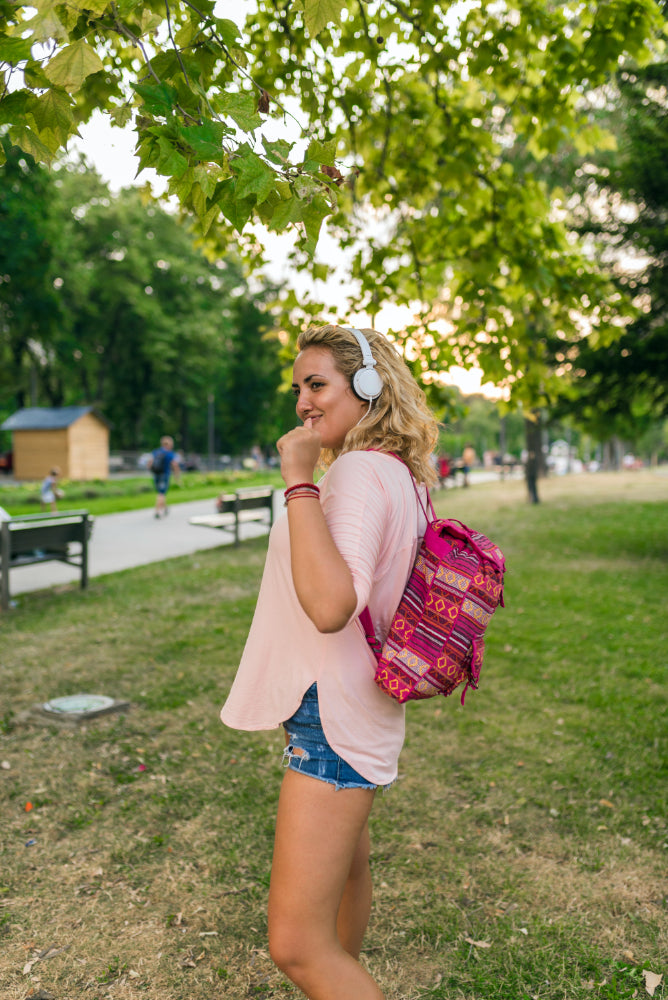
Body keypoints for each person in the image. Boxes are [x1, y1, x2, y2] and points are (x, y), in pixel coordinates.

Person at [221, 324, 439, 999]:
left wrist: (297, 478)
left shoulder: (355, 472)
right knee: (347, 871)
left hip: (332, 715)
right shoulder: (396, 473)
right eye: (298, 389)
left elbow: (330, 605)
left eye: (317, 384)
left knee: (297, 945)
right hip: (355, 702)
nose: (302, 403)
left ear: (367, 387)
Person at [149, 436, 180, 518]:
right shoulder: (169, 454)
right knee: (161, 493)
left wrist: (152, 471)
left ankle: (165, 508)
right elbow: (175, 465)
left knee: (161, 493)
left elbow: (150, 463)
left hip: (156, 474)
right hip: (164, 475)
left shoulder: (156, 452)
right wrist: (177, 476)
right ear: (170, 445)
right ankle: (157, 511)